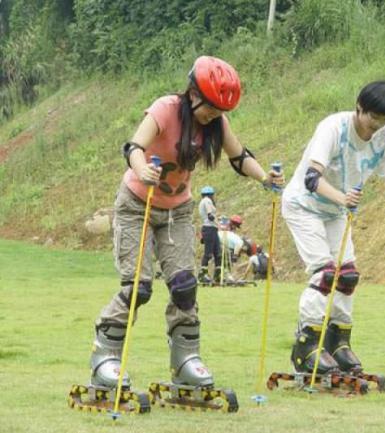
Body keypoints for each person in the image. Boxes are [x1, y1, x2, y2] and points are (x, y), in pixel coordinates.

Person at [88, 55, 283, 392]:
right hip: (138, 205)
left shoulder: (216, 124)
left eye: (219, 111)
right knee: (138, 288)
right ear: (193, 93)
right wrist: (141, 168)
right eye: (209, 107)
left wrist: (266, 178)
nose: (213, 116)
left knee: (184, 287)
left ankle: (185, 361)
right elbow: (134, 146)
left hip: (177, 211)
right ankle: (105, 357)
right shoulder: (165, 108)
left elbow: (239, 156)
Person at [281, 80, 385, 375]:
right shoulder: (333, 129)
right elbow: (312, 178)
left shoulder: (382, 136)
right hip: (304, 205)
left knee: (348, 276)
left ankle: (338, 342)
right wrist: (343, 197)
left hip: (336, 210)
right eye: (373, 118)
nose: (376, 126)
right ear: (359, 108)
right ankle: (307, 345)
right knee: (325, 273)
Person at [198, 185, 220, 285]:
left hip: (212, 229)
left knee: (217, 253)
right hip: (209, 228)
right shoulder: (207, 200)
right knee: (209, 253)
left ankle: (218, 274)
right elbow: (210, 216)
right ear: (210, 195)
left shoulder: (204, 201)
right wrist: (219, 224)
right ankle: (203, 274)